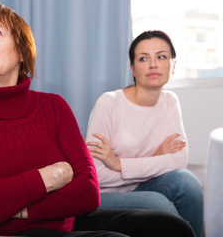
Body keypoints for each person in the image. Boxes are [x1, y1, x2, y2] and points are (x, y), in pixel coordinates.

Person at [0, 4, 195, 237]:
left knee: (171, 228)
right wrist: (48, 178)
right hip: (2, 233)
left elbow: (88, 191)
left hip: (62, 224)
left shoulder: (53, 106)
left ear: (22, 50)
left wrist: (0, 199)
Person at [86, 30, 203, 237]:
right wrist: (157, 159)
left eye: (161, 56)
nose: (153, 64)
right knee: (157, 203)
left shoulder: (170, 101)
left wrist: (120, 164)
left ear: (173, 65)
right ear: (132, 68)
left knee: (189, 182)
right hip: (104, 195)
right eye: (143, 58)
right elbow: (96, 175)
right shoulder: (109, 103)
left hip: (143, 185)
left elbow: (178, 161)